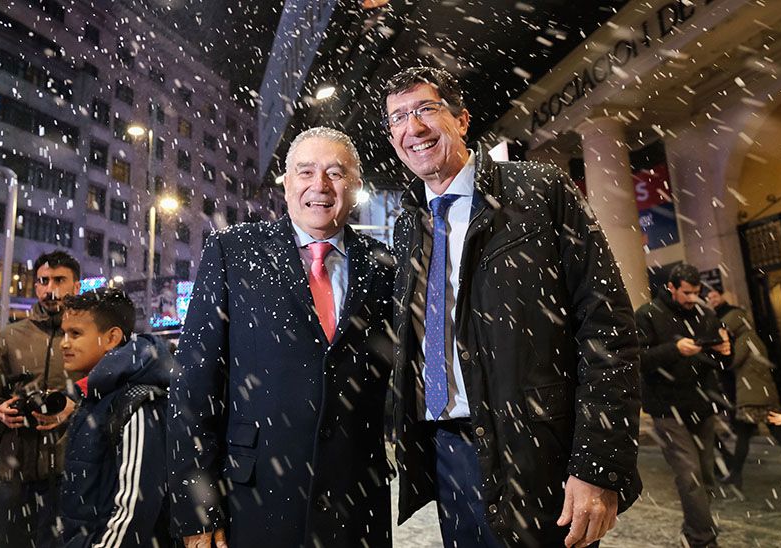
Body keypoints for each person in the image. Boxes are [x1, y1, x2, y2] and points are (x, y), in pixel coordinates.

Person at [386, 66, 642, 548]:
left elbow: (607, 325)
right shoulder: (408, 226)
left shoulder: (541, 191)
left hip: (538, 452)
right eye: (398, 117)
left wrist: (598, 465)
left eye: (426, 109)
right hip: (448, 456)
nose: (412, 128)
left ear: (462, 120)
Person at [168, 127, 395, 548]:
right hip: (254, 499)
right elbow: (193, 388)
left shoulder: (385, 266)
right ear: (286, 182)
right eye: (305, 172)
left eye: (335, 173)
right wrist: (197, 506)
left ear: (356, 184)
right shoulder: (232, 251)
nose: (319, 186)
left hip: (356, 500)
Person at [0, 251, 82, 548]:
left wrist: (75, 406)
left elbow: (108, 393)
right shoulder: (11, 336)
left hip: (70, 470)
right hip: (15, 469)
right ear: (35, 286)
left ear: (76, 286)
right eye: (44, 281)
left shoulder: (86, 335)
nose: (51, 289)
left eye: (60, 280)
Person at [58, 288, 176, 548]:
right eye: (63, 333)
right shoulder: (95, 396)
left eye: (75, 333)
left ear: (111, 337)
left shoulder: (138, 401)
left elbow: (134, 508)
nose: (64, 343)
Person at [637, 264, 731, 548]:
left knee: (706, 475)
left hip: (702, 405)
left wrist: (726, 349)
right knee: (689, 475)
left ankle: (693, 531)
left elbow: (721, 362)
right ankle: (703, 539)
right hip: (668, 408)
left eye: (696, 292)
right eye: (686, 293)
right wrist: (674, 350)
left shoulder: (705, 314)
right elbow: (638, 359)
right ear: (671, 287)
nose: (692, 298)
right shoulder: (648, 314)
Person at [705, 289, 781, 493]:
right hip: (762, 393)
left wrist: (722, 352)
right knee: (776, 435)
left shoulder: (745, 339)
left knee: (747, 436)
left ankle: (737, 476)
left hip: (752, 397)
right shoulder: (754, 338)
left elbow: (732, 363)